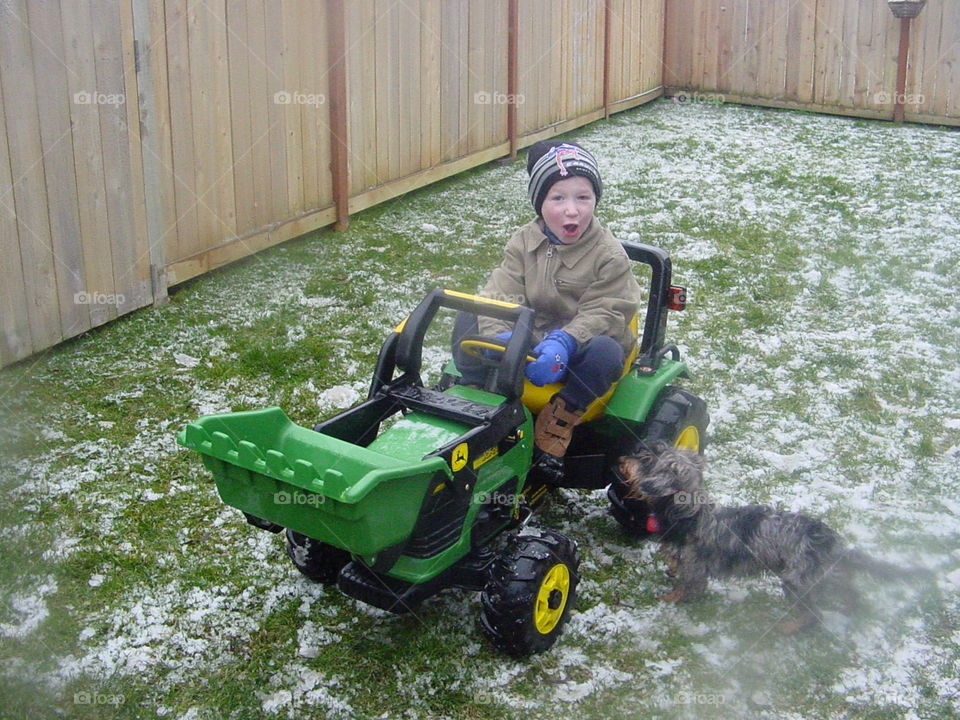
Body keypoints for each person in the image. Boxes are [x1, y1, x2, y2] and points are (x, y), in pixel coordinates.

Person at [453, 140, 642, 477]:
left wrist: (565, 342)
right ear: (539, 204)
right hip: (531, 332)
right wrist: (504, 337)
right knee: (470, 312)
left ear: (595, 199)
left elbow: (607, 312)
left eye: (583, 197)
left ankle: (562, 415)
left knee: (606, 353)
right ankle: (476, 388)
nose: (573, 211)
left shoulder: (610, 256)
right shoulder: (524, 241)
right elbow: (502, 289)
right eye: (558, 198)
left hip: (583, 343)